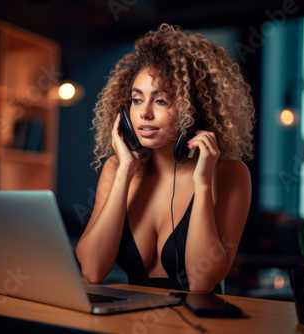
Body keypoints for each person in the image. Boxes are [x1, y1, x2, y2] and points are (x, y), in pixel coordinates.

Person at [76, 23, 254, 293]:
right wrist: (125, 170)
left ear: (192, 111)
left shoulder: (229, 174)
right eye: (137, 100)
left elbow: (201, 281)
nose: (144, 113)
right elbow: (92, 270)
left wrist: (202, 182)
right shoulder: (116, 169)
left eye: (161, 101)